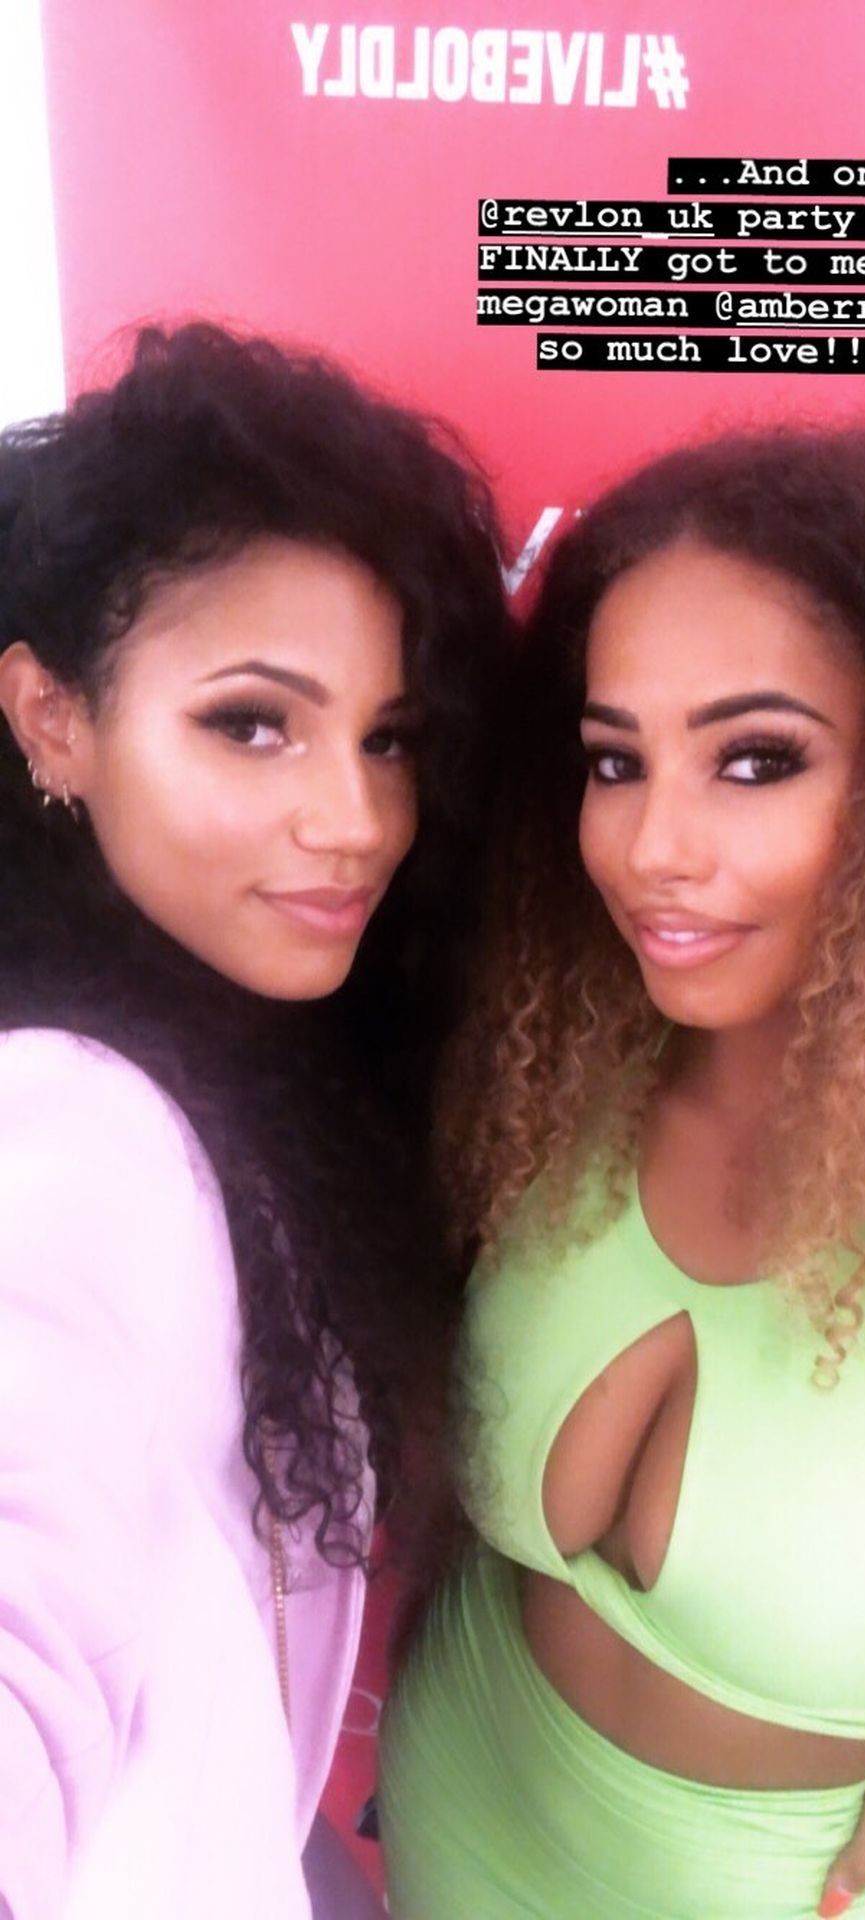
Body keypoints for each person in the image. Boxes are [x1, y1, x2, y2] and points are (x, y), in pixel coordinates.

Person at [378, 418, 865, 1919]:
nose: (650, 847)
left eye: (756, 759)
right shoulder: (553, 1075)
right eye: (614, 761)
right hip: (456, 1807)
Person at [0, 322, 506, 1920]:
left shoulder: (241, 1040)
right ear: (52, 717)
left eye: (388, 739)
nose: (355, 822)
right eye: (252, 723)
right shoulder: (68, 1133)